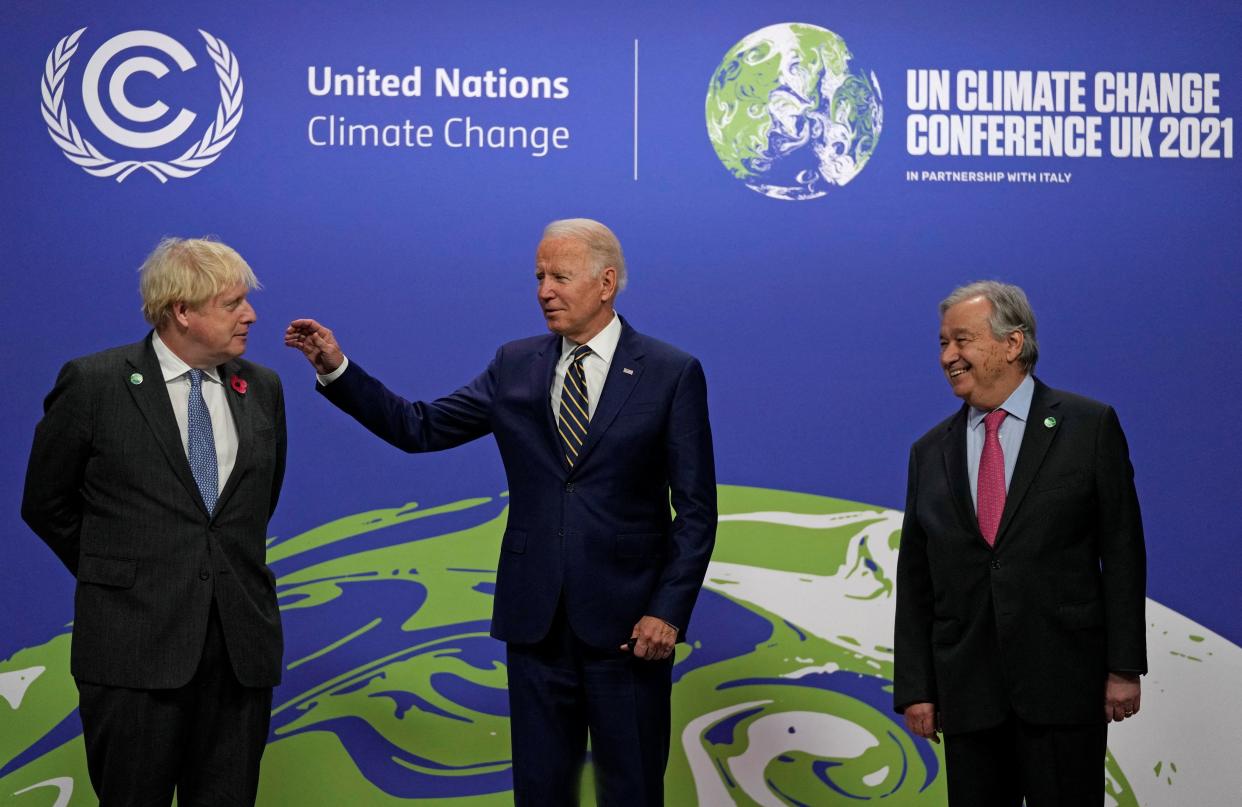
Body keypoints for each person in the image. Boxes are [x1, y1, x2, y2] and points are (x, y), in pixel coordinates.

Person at [285, 218, 716, 806]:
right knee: (540, 794)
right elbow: (420, 427)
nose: (544, 290)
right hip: (535, 626)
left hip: (629, 629)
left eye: (559, 276)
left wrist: (666, 612)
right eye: (539, 276)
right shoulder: (516, 364)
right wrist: (335, 367)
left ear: (606, 282)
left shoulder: (670, 372)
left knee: (632, 791)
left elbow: (695, 510)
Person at [22, 237, 287, 806]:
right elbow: (46, 503)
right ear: (181, 312)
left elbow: (252, 508)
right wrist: (122, 575)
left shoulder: (262, 388)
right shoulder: (94, 384)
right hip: (133, 651)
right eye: (232, 303)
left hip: (239, 655)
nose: (251, 315)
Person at [893, 280, 1147, 806]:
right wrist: (917, 687)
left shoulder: (1087, 426)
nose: (948, 357)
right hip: (968, 691)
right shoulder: (928, 451)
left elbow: (1122, 552)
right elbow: (916, 577)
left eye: (962, 340)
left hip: (1063, 681)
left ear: (1013, 343)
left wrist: (1123, 667)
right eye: (942, 343)